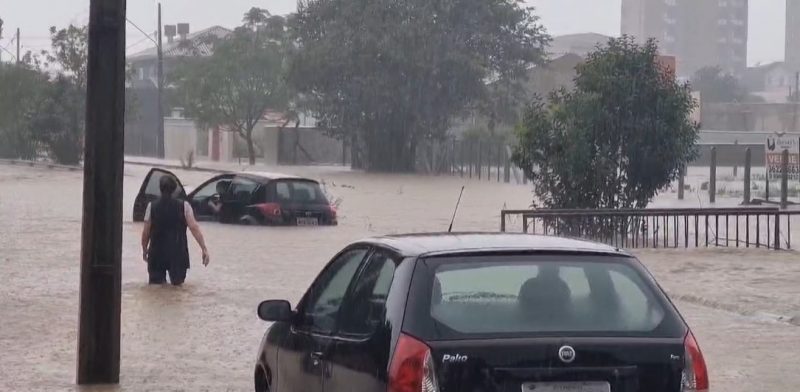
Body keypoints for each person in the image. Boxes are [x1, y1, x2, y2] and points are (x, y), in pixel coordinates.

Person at [141, 176, 210, 285]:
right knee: (178, 288)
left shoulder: (151, 206)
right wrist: (204, 248)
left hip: (156, 253)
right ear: (174, 189)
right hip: (178, 253)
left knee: (155, 288)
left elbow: (146, 232)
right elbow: (194, 228)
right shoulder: (184, 206)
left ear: (160, 188)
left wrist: (145, 250)